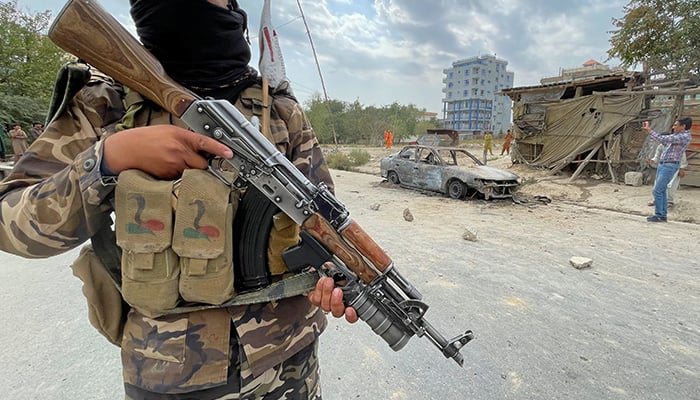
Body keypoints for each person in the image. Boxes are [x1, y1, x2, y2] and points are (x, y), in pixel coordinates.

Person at [0, 1, 356, 398]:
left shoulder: (279, 109)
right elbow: (11, 224)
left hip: (287, 358)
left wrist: (329, 277)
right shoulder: (104, 106)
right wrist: (109, 159)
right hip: (169, 369)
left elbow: (322, 225)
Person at [641, 117, 692, 222]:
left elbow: (664, 139)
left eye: (676, 125)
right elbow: (663, 142)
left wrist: (650, 130)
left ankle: (660, 214)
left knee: (658, 190)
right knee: (662, 189)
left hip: (670, 165)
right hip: (664, 164)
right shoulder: (676, 136)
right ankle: (662, 215)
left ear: (683, 126)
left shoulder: (684, 136)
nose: (673, 127)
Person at [646, 141, 688, 207]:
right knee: (658, 184)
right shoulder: (660, 146)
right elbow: (657, 157)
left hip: (674, 169)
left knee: (671, 186)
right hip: (662, 167)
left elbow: (683, 159)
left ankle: (669, 201)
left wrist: (681, 169)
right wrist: (652, 160)